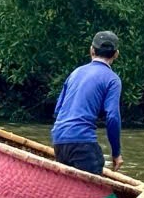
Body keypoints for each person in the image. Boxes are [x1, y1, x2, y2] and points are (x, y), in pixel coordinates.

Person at [51, 31, 123, 174]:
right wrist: (116, 153)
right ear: (116, 54)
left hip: (59, 139)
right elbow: (113, 117)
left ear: (91, 50)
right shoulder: (112, 79)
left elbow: (58, 110)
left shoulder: (75, 73)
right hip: (82, 141)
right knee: (94, 185)